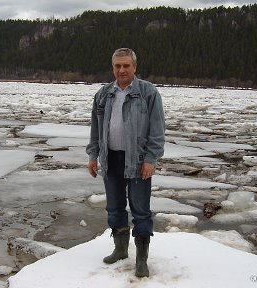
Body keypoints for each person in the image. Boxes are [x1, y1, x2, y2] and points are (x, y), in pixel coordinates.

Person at [86, 48, 165, 278]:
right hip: (110, 158)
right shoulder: (103, 94)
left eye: (126, 66)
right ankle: (120, 250)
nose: (122, 70)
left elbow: (157, 131)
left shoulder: (148, 93)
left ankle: (141, 259)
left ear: (134, 67)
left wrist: (151, 159)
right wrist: (93, 155)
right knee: (114, 207)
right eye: (117, 66)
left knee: (140, 210)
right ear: (113, 68)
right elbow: (95, 129)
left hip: (138, 161)